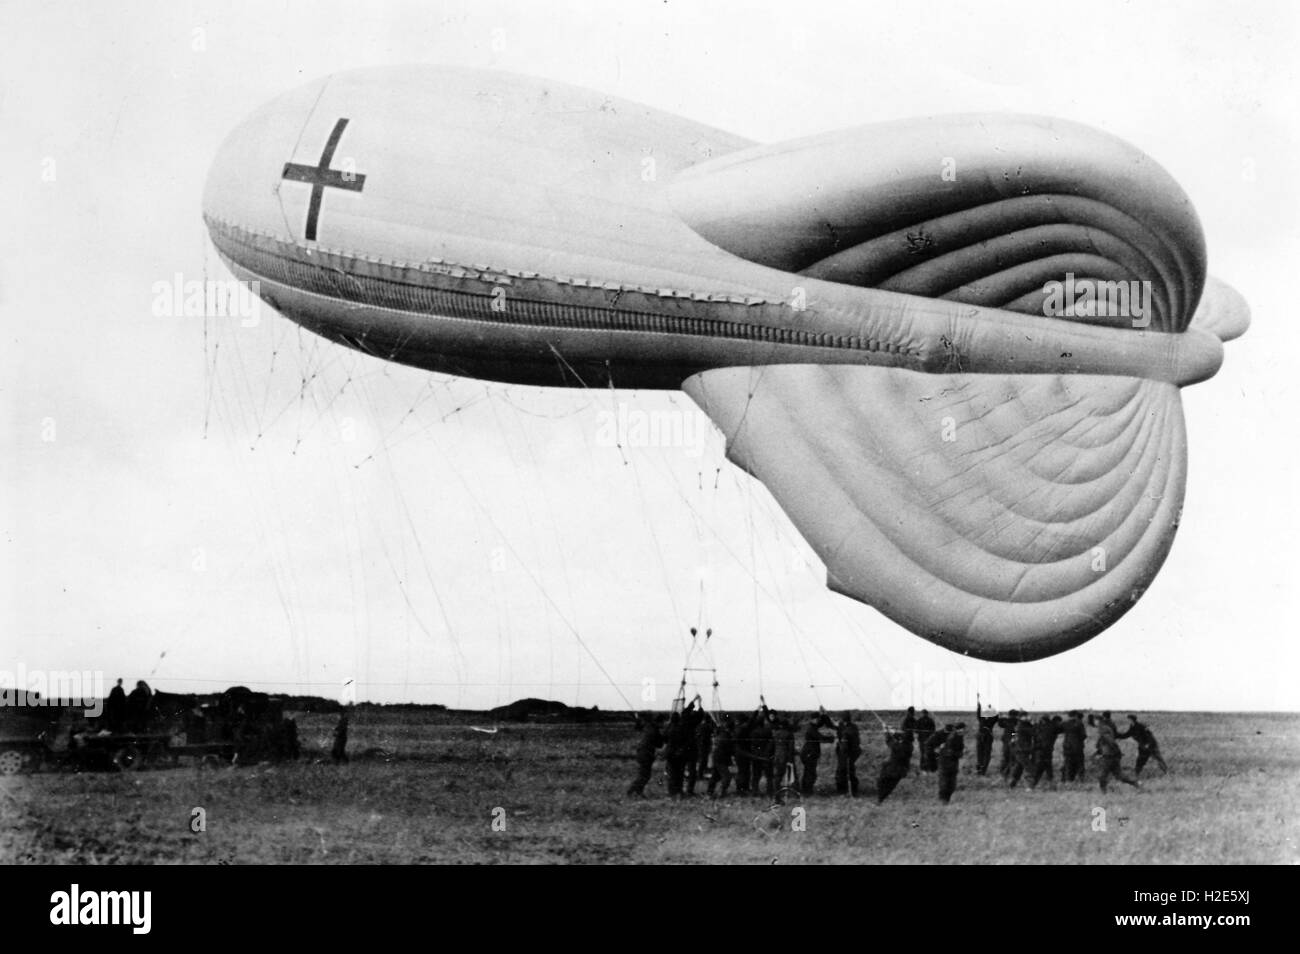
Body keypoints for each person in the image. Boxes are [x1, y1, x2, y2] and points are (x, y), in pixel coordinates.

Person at [1094, 718, 1139, 792]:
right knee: (1119, 775)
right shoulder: (1105, 728)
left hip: (1109, 756)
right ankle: (1135, 783)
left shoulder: (1103, 729)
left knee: (1102, 775)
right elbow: (1104, 742)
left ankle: (1103, 793)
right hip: (1112, 755)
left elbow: (1110, 741)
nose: (1094, 722)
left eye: (1095, 720)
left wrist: (1116, 751)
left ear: (1098, 721)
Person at [628, 713, 666, 796]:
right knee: (644, 775)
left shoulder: (649, 727)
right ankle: (631, 791)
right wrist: (664, 736)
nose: (664, 724)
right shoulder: (654, 731)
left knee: (645, 775)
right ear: (659, 722)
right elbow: (659, 744)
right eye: (663, 722)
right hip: (646, 755)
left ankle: (638, 792)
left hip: (642, 753)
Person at [800, 710, 835, 795]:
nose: (817, 720)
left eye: (818, 719)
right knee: (810, 773)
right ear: (812, 719)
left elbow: (822, 722)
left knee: (808, 772)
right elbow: (820, 737)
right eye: (816, 719)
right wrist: (831, 738)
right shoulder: (811, 729)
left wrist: (823, 714)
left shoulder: (813, 726)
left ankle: (806, 791)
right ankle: (807, 792)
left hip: (808, 753)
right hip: (809, 754)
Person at [876, 728, 911, 803]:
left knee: (882, 783)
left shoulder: (899, 747)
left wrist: (886, 733)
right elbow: (899, 737)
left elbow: (890, 742)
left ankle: (880, 799)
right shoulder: (909, 745)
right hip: (901, 770)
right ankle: (881, 799)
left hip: (893, 769)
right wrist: (890, 730)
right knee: (890, 785)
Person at [937, 723, 966, 803]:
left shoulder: (959, 737)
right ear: (957, 729)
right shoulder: (952, 738)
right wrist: (960, 753)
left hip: (952, 763)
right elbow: (950, 752)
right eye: (961, 729)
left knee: (952, 784)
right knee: (945, 782)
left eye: (963, 729)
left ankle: (946, 799)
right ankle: (943, 800)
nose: (963, 731)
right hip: (945, 763)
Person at [750, 705, 775, 798]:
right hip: (766, 756)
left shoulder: (753, 732)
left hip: (756, 756)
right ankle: (769, 793)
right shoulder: (768, 731)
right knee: (769, 776)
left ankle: (754, 792)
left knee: (756, 776)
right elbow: (771, 743)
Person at [1029, 715, 1060, 789]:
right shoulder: (1053, 727)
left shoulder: (1037, 727)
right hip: (1048, 751)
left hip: (1039, 751)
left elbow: (1014, 732)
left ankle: (1032, 786)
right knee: (1048, 768)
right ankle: (1052, 786)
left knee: (1038, 769)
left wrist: (1013, 737)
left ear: (1042, 720)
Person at [834, 712, 862, 796]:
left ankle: (843, 791)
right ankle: (853, 791)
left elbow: (845, 744)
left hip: (846, 753)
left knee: (843, 771)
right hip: (852, 752)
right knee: (850, 771)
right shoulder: (853, 727)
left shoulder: (846, 730)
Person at [707, 716, 736, 798]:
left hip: (717, 757)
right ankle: (721, 792)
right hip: (721, 758)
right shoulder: (726, 737)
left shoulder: (722, 734)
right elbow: (730, 749)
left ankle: (710, 792)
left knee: (715, 776)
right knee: (727, 777)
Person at [663, 711, 689, 797]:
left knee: (671, 773)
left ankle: (671, 791)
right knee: (680, 774)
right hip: (680, 754)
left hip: (670, 753)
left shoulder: (668, 728)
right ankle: (679, 791)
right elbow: (685, 740)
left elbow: (665, 739)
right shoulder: (682, 728)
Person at [771, 714, 797, 797]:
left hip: (777, 756)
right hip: (786, 756)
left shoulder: (776, 734)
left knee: (778, 775)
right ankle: (791, 792)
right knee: (791, 775)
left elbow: (772, 745)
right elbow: (791, 748)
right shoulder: (789, 734)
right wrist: (790, 759)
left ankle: (776, 791)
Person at [1007, 712, 1035, 787]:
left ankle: (1011, 784)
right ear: (1022, 717)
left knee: (1018, 768)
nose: (1028, 717)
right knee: (1029, 768)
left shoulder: (1019, 726)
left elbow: (1014, 733)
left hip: (1019, 750)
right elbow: (1033, 732)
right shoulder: (1022, 726)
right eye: (1026, 716)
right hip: (1022, 750)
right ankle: (1029, 787)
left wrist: (1013, 737)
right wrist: (1033, 723)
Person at [1059, 710, 1087, 782]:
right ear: (1075, 715)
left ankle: (1067, 780)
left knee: (1067, 764)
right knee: (1080, 764)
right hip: (1078, 748)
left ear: (1069, 716)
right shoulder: (1079, 723)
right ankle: (1081, 780)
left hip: (1067, 747)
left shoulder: (1064, 723)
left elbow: (1058, 730)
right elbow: (1083, 736)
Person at [974, 699, 999, 775]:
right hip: (980, 736)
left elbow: (996, 715)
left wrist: (992, 707)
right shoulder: (981, 718)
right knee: (979, 753)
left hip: (988, 737)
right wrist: (979, 704)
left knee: (987, 753)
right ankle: (979, 770)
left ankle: (983, 770)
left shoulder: (993, 719)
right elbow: (978, 712)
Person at [734, 711, 754, 795]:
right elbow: (750, 722)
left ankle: (741, 788)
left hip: (739, 752)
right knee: (744, 771)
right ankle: (741, 789)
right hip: (743, 753)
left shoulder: (737, 728)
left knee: (742, 771)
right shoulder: (742, 728)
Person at [997, 709, 1019, 778]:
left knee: (1006, 756)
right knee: (1011, 757)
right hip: (1011, 741)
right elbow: (1013, 731)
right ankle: (1006, 772)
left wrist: (1000, 717)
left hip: (1006, 741)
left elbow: (1000, 724)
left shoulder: (1007, 721)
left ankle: (1003, 771)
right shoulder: (1014, 721)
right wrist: (1013, 736)